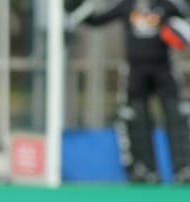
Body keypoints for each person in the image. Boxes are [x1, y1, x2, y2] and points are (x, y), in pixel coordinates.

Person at [67, 0, 190, 184]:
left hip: (164, 69)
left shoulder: (170, 5)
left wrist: (179, 31)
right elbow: (97, 20)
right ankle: (144, 169)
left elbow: (184, 24)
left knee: (176, 115)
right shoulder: (125, 5)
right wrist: (73, 6)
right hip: (135, 71)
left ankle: (183, 168)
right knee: (136, 117)